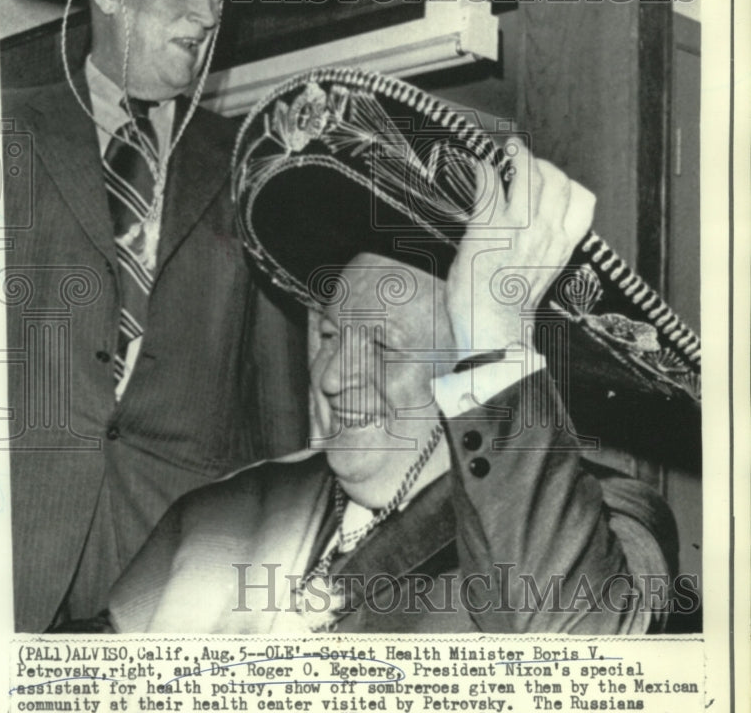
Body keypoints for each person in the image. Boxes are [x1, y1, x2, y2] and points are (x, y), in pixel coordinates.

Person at [109, 69, 686, 634]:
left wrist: (495, 333)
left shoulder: (610, 519)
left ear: (470, 361)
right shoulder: (230, 510)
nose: (333, 376)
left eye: (384, 343)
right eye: (331, 335)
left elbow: (568, 659)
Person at [0, 0, 354, 632]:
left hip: (176, 577)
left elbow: (278, 412)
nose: (205, 14)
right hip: (6, 556)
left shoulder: (252, 167)